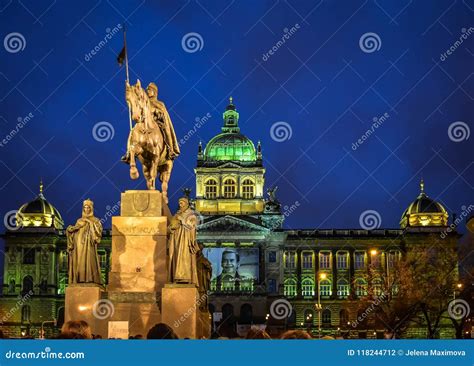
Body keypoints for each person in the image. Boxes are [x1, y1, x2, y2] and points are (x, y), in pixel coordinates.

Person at [66, 199, 102, 284]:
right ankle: (79, 279)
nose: (87, 209)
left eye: (88, 207)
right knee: (79, 262)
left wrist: (89, 222)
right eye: (85, 208)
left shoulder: (96, 220)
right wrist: (70, 230)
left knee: (89, 261)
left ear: (91, 209)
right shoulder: (79, 220)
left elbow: (98, 232)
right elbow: (75, 230)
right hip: (79, 245)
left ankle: (90, 279)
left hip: (89, 244)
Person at [168, 197, 199, 284]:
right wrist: (171, 228)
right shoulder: (177, 213)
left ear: (186, 203)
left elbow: (192, 225)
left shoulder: (191, 214)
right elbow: (171, 225)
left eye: (182, 203)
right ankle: (176, 277)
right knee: (177, 256)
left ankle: (185, 277)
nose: (180, 205)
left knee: (184, 256)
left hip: (185, 239)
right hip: (177, 238)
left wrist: (181, 219)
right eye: (179, 203)